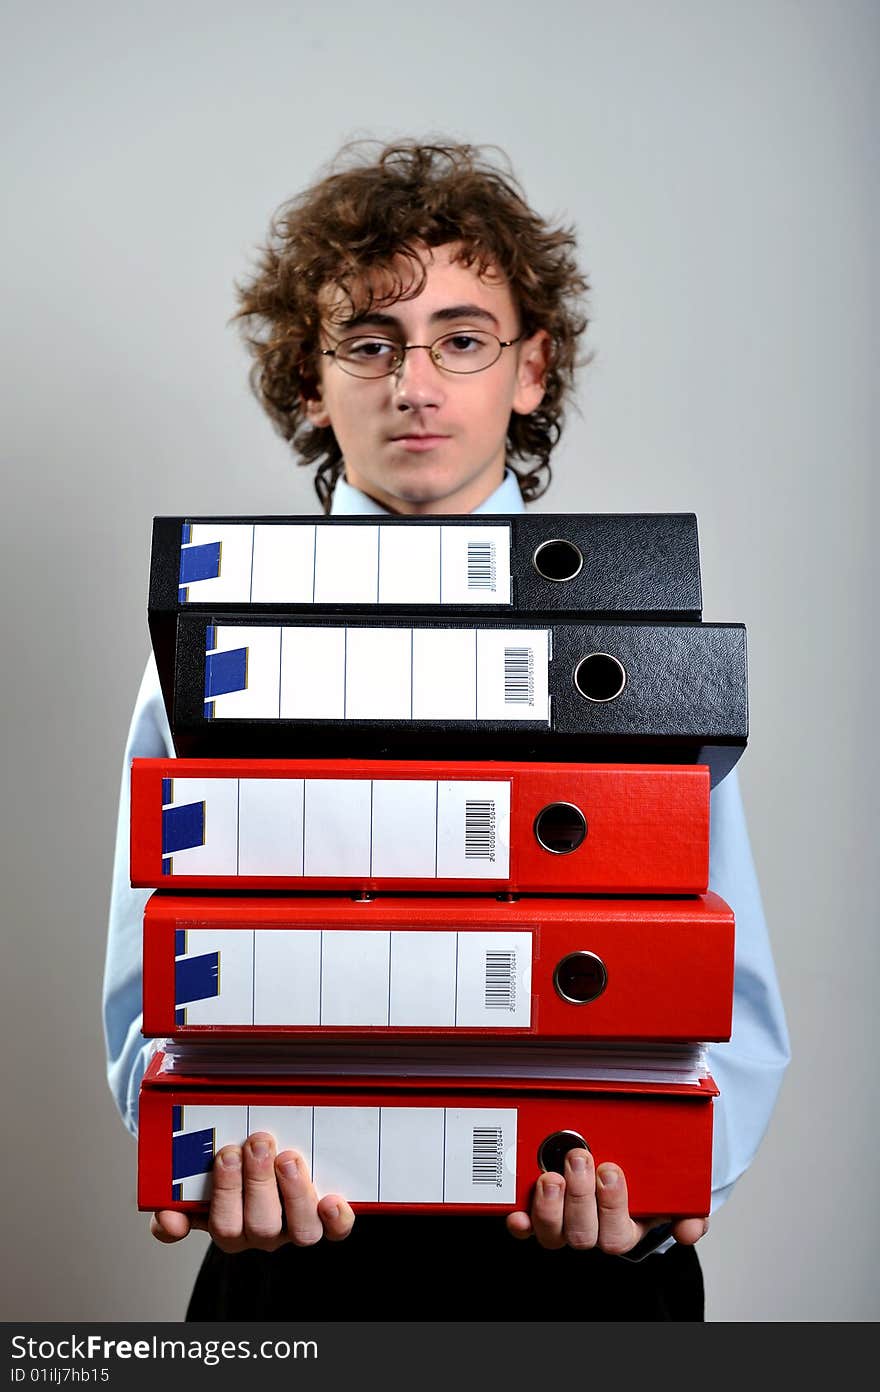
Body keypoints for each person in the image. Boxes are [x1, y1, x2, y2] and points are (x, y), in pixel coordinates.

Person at [103, 140, 790, 1321]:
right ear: (311, 382)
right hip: (300, 1270)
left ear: (531, 368)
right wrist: (208, 1147)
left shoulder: (639, 645)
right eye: (368, 344)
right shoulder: (203, 656)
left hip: (588, 1270)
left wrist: (655, 1191)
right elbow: (149, 998)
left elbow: (726, 990)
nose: (413, 383)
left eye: (460, 340)